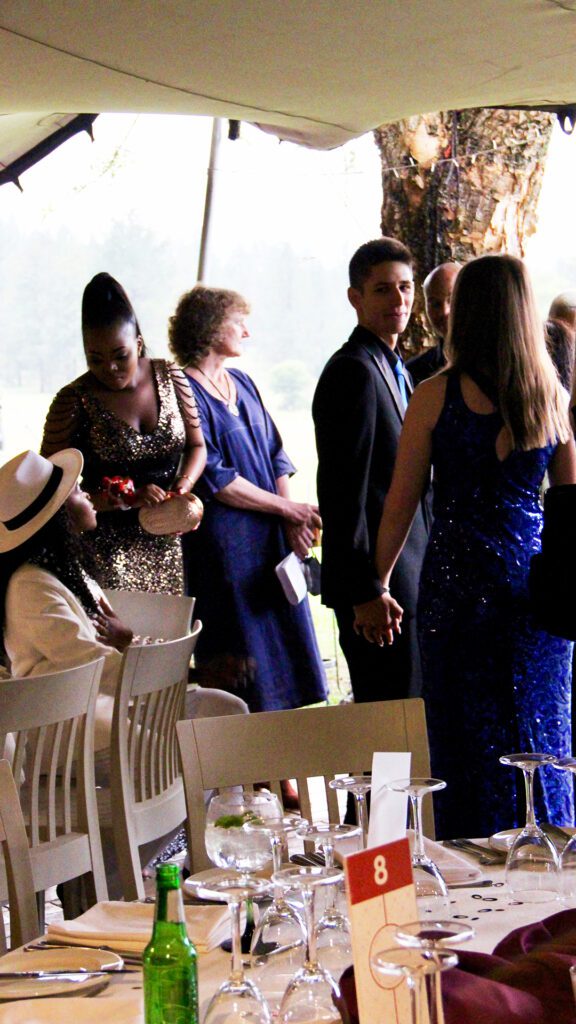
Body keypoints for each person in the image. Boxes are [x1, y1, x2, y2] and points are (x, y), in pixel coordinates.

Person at [355, 254, 576, 838]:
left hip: (458, 587)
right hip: (534, 590)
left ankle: (470, 858)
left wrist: (376, 585)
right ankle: (548, 850)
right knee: (540, 729)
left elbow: (401, 503)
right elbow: (569, 505)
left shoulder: (434, 395)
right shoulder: (550, 397)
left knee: (463, 737)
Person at [168, 284, 327, 713]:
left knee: (287, 657)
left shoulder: (242, 382)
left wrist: (292, 519)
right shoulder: (185, 391)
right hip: (228, 551)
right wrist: (289, 509)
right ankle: (251, 751)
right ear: (210, 327)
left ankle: (287, 748)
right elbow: (217, 479)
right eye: (238, 323)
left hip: (271, 541)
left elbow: (276, 453)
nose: (246, 332)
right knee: (246, 663)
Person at [312, 237, 429, 704]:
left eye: (405, 287)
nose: (398, 300)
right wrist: (366, 591)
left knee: (413, 719)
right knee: (389, 724)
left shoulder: (394, 366)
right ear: (355, 297)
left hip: (408, 578)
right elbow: (342, 493)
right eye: (382, 289)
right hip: (377, 591)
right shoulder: (352, 371)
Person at [41, 273, 206, 595]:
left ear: (138, 344)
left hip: (168, 538)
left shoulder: (171, 376)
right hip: (106, 550)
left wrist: (180, 488)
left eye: (121, 356)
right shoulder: (73, 400)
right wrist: (123, 499)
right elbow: (50, 489)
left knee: (170, 624)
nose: (110, 368)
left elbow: (197, 445)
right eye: (95, 359)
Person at [407, 262, 460, 386]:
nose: (444, 311)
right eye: (435, 304)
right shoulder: (413, 374)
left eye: (452, 300)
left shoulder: (498, 363)